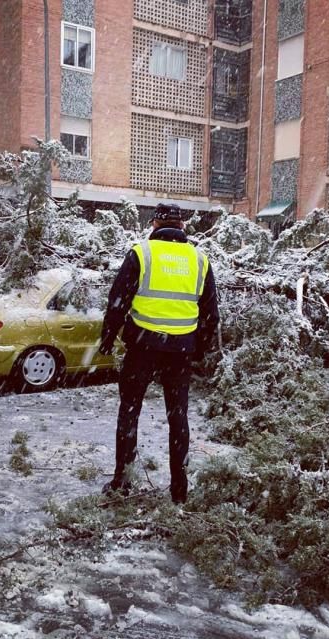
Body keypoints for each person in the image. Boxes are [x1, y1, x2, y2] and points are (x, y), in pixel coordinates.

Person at [98, 202, 220, 504]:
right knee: (178, 418)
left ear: (154, 225)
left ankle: (122, 482)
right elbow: (211, 315)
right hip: (180, 350)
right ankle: (180, 490)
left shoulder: (142, 253)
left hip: (142, 346)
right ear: (183, 227)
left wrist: (108, 338)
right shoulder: (200, 260)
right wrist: (199, 350)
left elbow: (118, 301)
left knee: (129, 413)